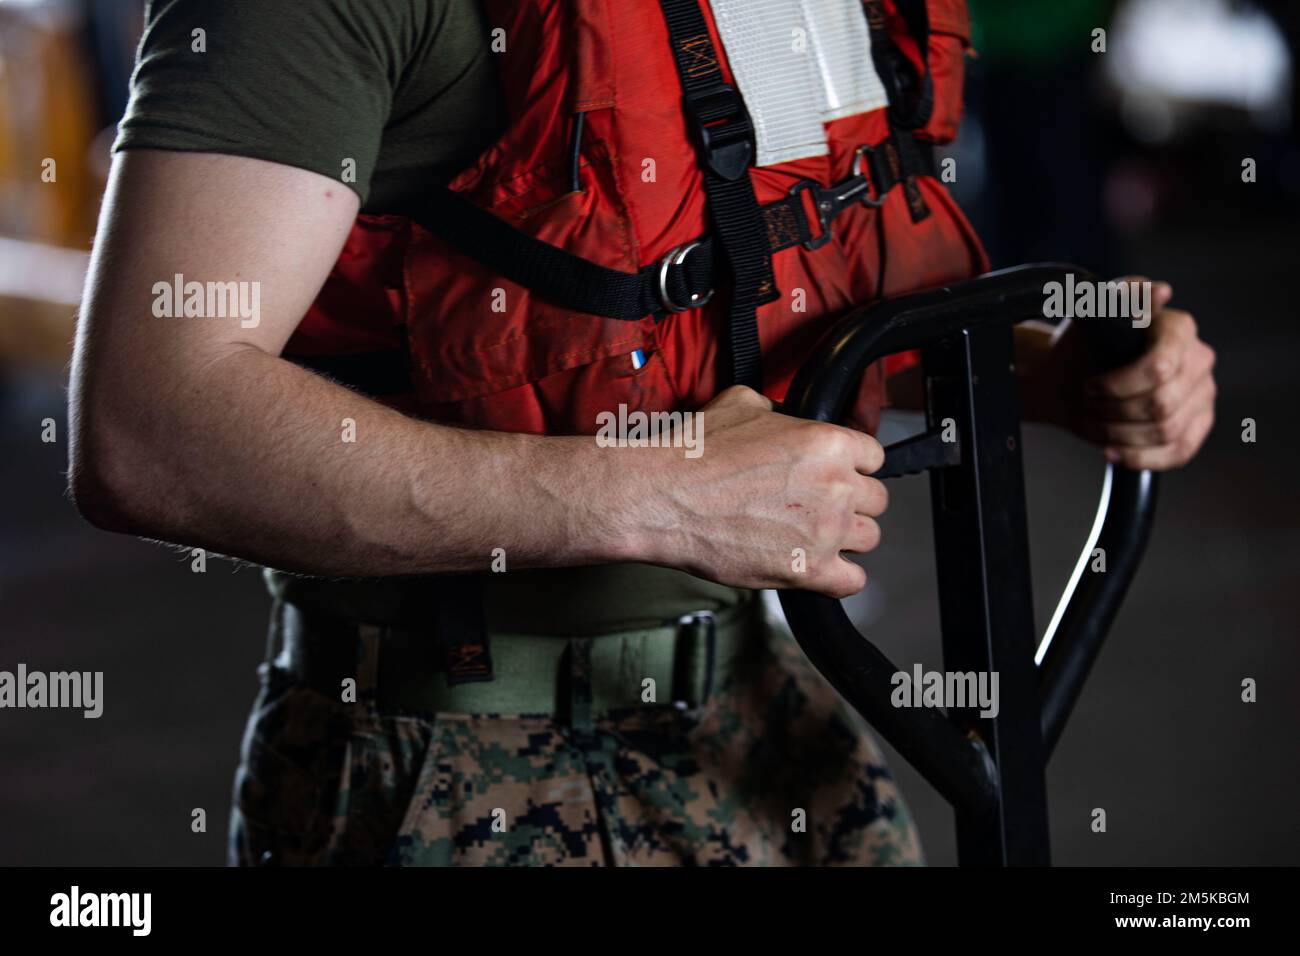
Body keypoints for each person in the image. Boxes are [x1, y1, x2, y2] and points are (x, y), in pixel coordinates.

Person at [68, 0, 1215, 866]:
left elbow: (759, 295)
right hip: (448, 761)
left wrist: (1042, 377)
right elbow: (150, 424)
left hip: (767, 705)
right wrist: (662, 493)